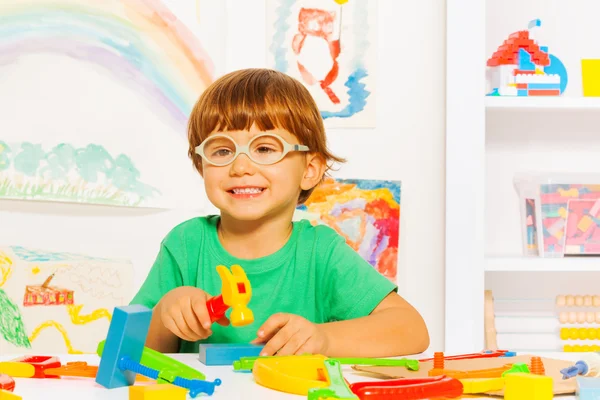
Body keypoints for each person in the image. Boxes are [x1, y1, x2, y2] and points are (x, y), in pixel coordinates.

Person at [130, 68, 430, 357]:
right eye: (222, 151)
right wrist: (165, 313)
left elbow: (411, 330)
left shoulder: (320, 251)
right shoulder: (186, 243)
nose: (240, 167)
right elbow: (127, 354)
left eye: (264, 148)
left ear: (309, 170)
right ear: (202, 166)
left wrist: (323, 339)